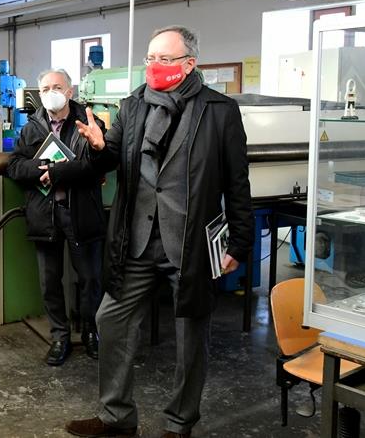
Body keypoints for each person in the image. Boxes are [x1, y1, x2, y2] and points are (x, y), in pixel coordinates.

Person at [66, 26, 253, 438]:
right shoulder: (134, 106)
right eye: (150, 58)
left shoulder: (219, 111)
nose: (154, 66)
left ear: (189, 64)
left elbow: (237, 182)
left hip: (189, 246)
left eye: (164, 59)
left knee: (191, 339)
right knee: (110, 319)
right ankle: (116, 416)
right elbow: (113, 157)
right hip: (135, 241)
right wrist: (99, 146)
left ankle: (179, 423)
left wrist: (240, 240)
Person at [6, 68, 107, 365]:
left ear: (70, 91)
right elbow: (15, 166)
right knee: (50, 281)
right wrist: (41, 169)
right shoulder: (32, 127)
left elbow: (96, 164)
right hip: (45, 214)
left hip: (81, 213)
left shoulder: (89, 123)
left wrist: (59, 172)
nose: (52, 91)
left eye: (58, 86)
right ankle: (59, 337)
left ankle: (91, 332)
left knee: (90, 278)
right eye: (46, 87)